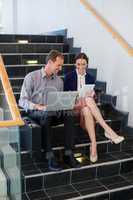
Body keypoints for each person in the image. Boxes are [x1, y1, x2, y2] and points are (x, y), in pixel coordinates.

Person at [19, 50, 80, 171]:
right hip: (35, 112)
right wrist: (38, 106)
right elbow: (22, 101)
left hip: (52, 111)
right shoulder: (31, 77)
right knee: (46, 114)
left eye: (61, 65)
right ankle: (49, 155)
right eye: (58, 65)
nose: (60, 68)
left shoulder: (59, 81)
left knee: (70, 114)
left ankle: (68, 153)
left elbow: (59, 101)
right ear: (50, 62)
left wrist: (68, 103)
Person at [64, 52, 124, 163]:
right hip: (75, 106)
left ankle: (94, 145)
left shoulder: (91, 77)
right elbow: (65, 97)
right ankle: (107, 130)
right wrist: (78, 97)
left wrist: (92, 95)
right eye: (78, 64)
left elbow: (92, 96)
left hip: (86, 107)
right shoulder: (69, 76)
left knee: (87, 106)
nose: (81, 67)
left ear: (87, 64)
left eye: (83, 64)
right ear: (75, 64)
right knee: (87, 101)